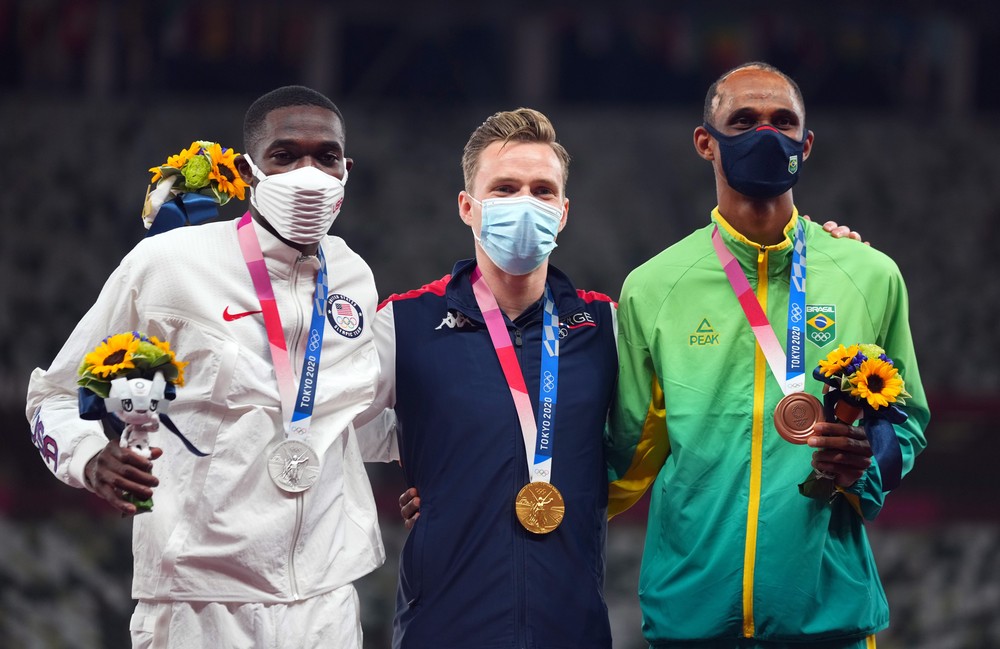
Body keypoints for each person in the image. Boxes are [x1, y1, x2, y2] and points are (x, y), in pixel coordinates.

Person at [25, 85, 384, 648]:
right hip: (198, 599)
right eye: (285, 156)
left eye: (326, 157)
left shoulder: (354, 276)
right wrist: (88, 456)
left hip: (326, 598)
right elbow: (54, 396)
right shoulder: (170, 264)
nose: (308, 174)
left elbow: (350, 416)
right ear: (247, 170)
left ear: (346, 170)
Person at [606, 62, 930, 648]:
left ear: (805, 145)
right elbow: (626, 453)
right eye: (743, 120)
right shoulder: (653, 287)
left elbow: (905, 423)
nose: (765, 133)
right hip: (693, 623)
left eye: (783, 122)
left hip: (827, 621)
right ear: (705, 142)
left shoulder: (869, 275)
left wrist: (863, 465)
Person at [358, 108, 620, 648]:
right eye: (504, 188)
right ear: (467, 206)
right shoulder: (405, 322)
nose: (525, 202)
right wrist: (429, 458)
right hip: (444, 630)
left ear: (563, 212)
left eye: (542, 191)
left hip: (570, 629)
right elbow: (335, 428)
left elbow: (654, 433)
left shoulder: (606, 326)